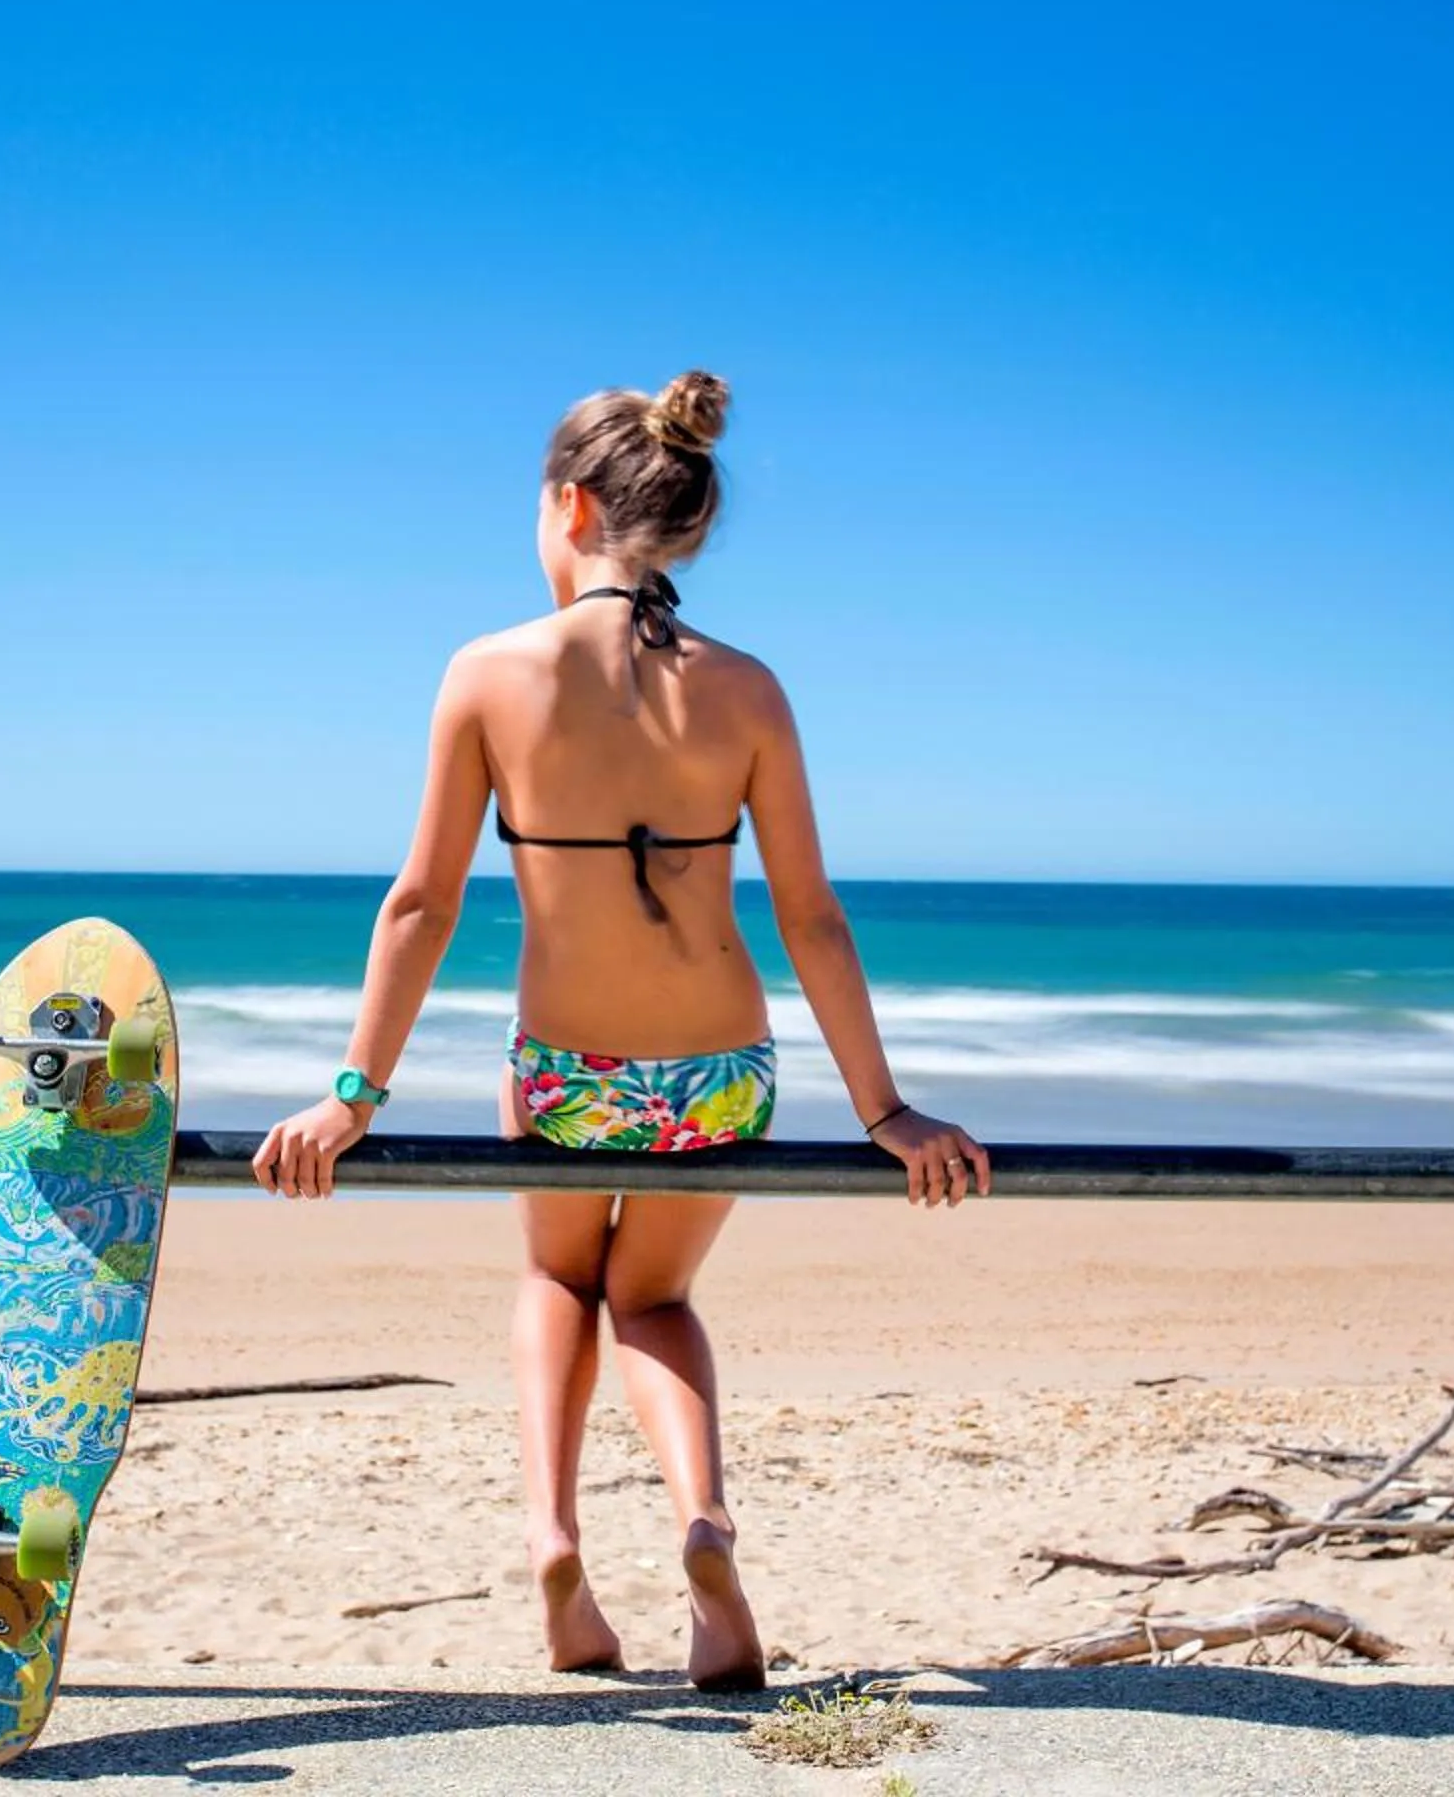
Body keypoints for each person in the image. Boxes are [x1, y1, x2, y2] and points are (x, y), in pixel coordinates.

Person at [251, 369, 991, 1692]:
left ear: (570, 504)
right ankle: (703, 1522)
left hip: (566, 1073)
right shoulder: (749, 689)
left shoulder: (489, 673)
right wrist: (886, 1110)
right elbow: (813, 918)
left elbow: (421, 905)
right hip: (718, 1072)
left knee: (558, 1284)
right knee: (653, 1297)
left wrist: (352, 1096)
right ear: (684, 528)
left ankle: (554, 1540)